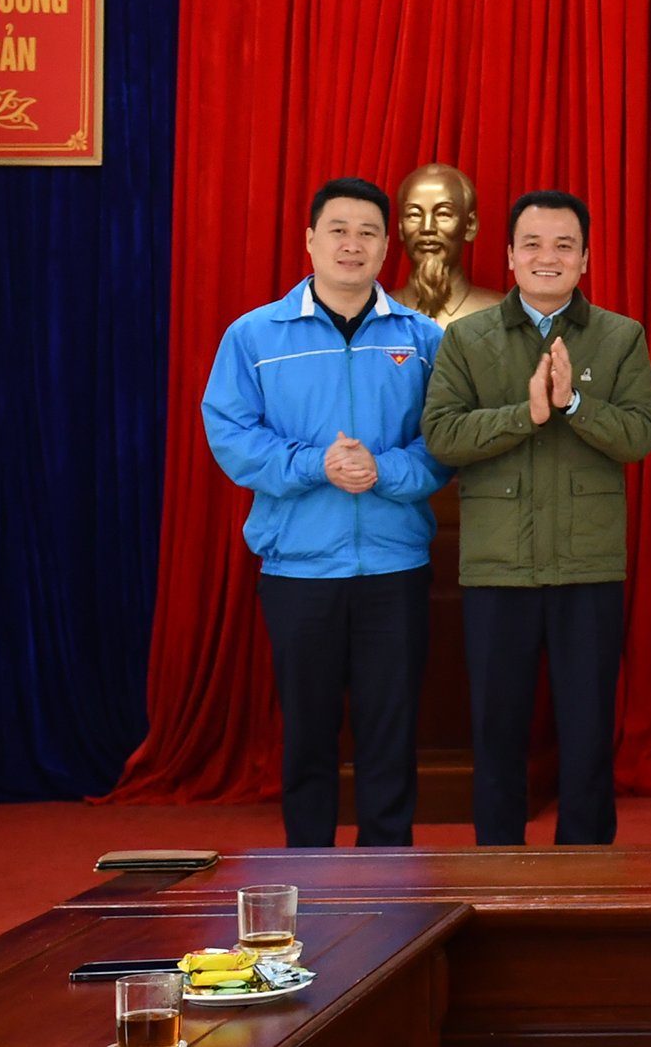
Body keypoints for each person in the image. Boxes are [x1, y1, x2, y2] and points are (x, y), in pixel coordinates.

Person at [201, 176, 450, 848]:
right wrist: (317, 464)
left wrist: (383, 470)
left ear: (387, 245)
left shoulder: (422, 337)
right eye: (338, 229)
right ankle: (308, 870)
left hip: (395, 568)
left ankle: (388, 876)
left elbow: (445, 440)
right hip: (298, 571)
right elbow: (231, 434)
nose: (352, 244)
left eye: (368, 232)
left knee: (390, 734)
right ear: (310, 239)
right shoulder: (255, 335)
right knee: (308, 734)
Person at [423, 189, 651, 845]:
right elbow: (442, 435)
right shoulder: (467, 338)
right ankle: (498, 866)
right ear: (508, 254)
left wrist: (574, 402)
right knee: (497, 730)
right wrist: (524, 414)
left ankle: (587, 868)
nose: (546, 257)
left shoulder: (620, 336)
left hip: (588, 566)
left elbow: (640, 436)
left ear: (585, 258)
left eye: (563, 245)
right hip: (498, 567)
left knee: (588, 729)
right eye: (532, 244)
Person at [395, 162, 506, 327]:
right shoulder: (375, 314)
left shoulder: (503, 316)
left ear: (470, 225)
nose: (427, 228)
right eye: (414, 215)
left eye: (443, 214)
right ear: (400, 227)